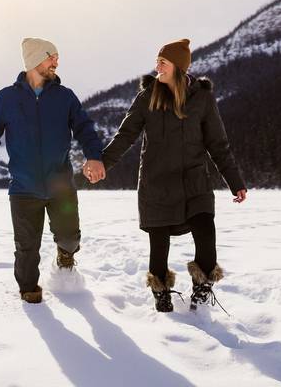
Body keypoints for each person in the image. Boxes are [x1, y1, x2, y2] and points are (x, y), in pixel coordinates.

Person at [100, 38, 247, 312]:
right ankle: (162, 296)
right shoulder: (147, 97)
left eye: (163, 62)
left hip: (194, 181)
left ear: (178, 67)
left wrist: (235, 181)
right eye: (157, 61)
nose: (157, 66)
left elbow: (218, 143)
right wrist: (103, 163)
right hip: (156, 182)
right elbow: (126, 135)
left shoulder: (201, 98)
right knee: (159, 244)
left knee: (206, 233)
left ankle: (202, 293)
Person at [0, 37, 106, 304]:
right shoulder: (6, 98)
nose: (56, 61)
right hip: (23, 187)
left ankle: (65, 255)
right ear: (34, 59)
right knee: (26, 247)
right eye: (51, 56)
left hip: (60, 185)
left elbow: (84, 128)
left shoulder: (65, 97)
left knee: (69, 237)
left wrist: (94, 156)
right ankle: (29, 292)